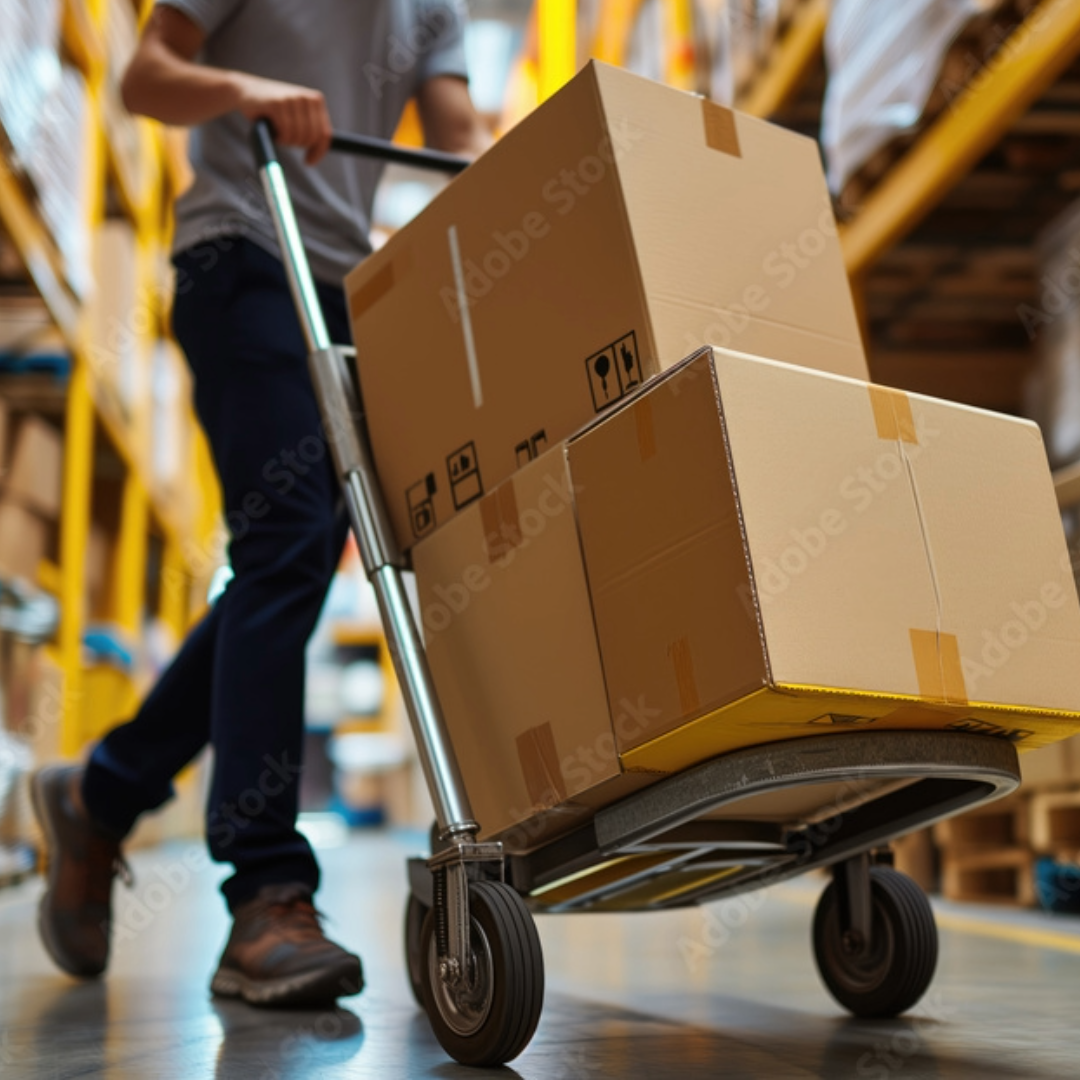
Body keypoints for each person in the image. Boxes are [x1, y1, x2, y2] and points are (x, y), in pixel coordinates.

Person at [30, 0, 489, 1008]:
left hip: (347, 291)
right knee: (282, 543)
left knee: (301, 560)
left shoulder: (435, 9)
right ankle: (266, 892)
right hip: (238, 252)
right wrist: (246, 93)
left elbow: (462, 142)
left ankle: (102, 791)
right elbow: (145, 78)